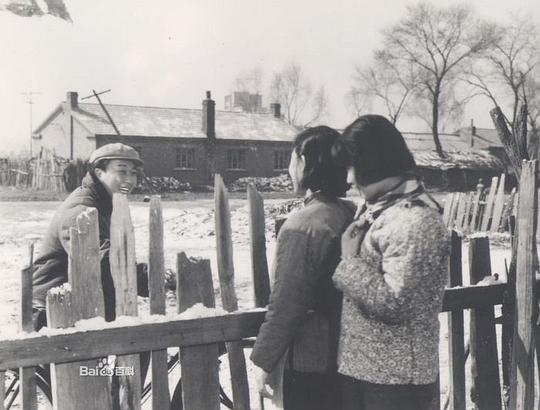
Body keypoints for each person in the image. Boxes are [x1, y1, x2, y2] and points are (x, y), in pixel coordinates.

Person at [332, 115, 450, 410]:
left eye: (352, 167)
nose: (348, 179)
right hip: (370, 370)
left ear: (373, 162)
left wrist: (349, 261)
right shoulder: (385, 209)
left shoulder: (415, 220)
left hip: (396, 381)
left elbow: (396, 304)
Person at [251, 126, 355, 410]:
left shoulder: (303, 225)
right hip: (352, 356)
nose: (289, 168)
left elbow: (287, 301)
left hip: (312, 361)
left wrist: (263, 360)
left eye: (292, 158)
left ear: (306, 162)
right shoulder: (350, 213)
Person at [31, 143, 149, 330]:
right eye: (122, 171)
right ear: (99, 173)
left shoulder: (106, 202)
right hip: (52, 310)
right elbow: (99, 260)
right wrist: (148, 278)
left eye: (133, 173)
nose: (129, 179)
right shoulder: (81, 209)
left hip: (83, 300)